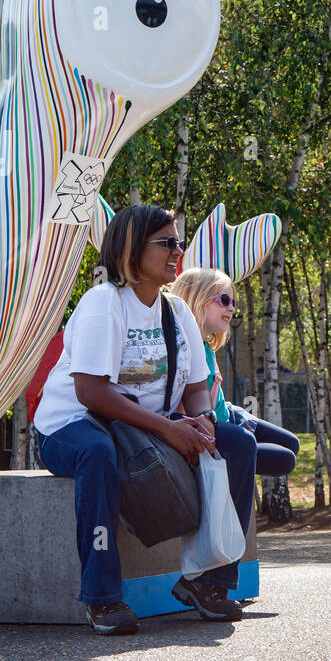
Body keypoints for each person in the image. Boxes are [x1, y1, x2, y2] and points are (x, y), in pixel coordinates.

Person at [32, 204, 249, 635]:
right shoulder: (103, 303)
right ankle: (102, 598)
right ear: (132, 248)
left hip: (144, 426)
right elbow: (91, 392)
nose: (177, 251)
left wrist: (203, 418)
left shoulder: (175, 311)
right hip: (73, 425)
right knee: (98, 452)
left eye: (179, 242)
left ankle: (206, 583)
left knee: (238, 443)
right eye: (167, 242)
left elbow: (194, 384)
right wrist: (170, 429)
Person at [171, 267, 300, 481]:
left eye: (233, 303)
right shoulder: (182, 348)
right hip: (214, 427)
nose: (231, 309)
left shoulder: (206, 347)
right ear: (197, 298)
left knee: (292, 443)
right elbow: (180, 405)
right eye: (223, 300)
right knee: (284, 459)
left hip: (230, 415)